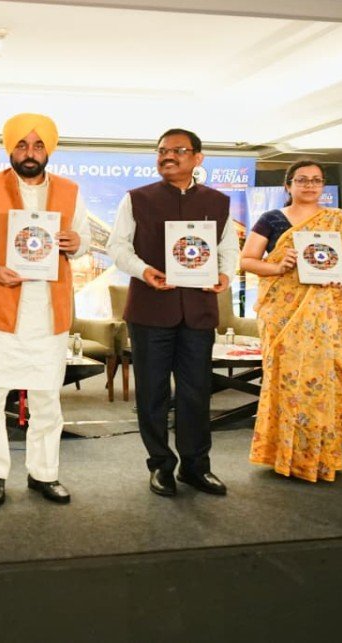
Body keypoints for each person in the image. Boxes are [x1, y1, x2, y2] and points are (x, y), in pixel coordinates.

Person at [0, 113, 91, 507]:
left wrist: (76, 242)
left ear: (49, 150)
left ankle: (44, 474)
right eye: (21, 145)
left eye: (37, 145)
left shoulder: (69, 190)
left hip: (48, 311)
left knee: (47, 396)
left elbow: (83, 241)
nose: (30, 153)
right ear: (9, 149)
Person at [106, 128, 237, 498]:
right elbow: (117, 247)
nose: (168, 156)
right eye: (162, 150)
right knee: (152, 394)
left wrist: (225, 274)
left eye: (178, 150)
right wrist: (143, 270)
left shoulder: (218, 201)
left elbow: (228, 248)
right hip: (150, 310)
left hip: (198, 312)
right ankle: (161, 466)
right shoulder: (137, 198)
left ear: (198, 158)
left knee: (197, 393)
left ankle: (196, 467)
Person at [241, 161, 342, 482]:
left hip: (325, 312)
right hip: (282, 314)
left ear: (323, 186)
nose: (309, 185)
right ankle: (283, 456)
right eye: (302, 180)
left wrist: (335, 272)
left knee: (324, 381)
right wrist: (278, 267)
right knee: (286, 381)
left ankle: (319, 458)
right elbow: (247, 260)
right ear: (288, 185)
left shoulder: (339, 221)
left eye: (316, 180)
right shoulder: (271, 219)